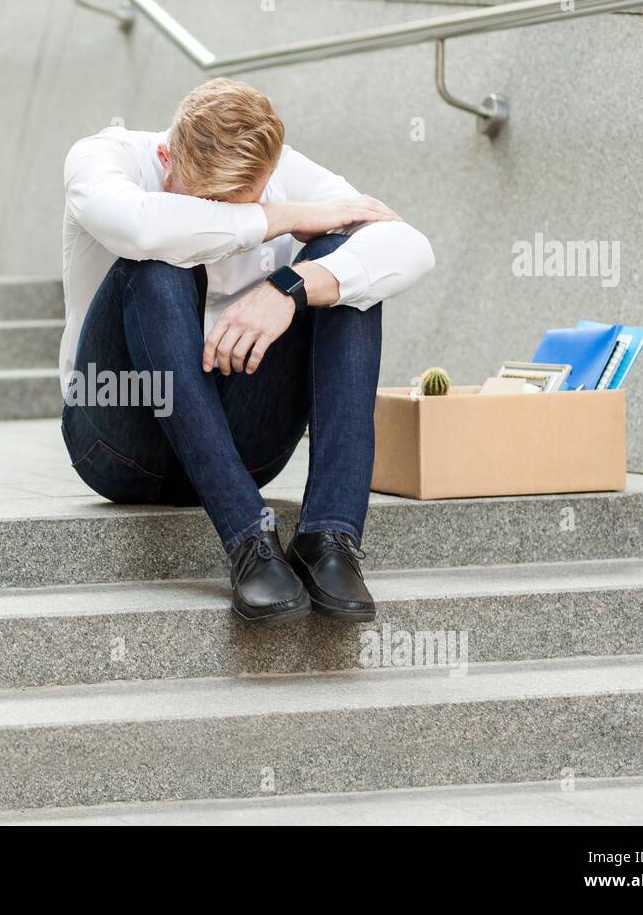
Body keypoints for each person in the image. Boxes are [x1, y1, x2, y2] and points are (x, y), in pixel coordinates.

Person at [59, 78, 434, 624]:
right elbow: (141, 228)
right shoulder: (104, 158)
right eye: (205, 204)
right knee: (156, 265)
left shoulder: (287, 171)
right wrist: (274, 219)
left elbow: (410, 246)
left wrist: (290, 288)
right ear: (168, 154)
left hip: (243, 441)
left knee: (344, 268)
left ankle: (330, 537)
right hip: (117, 440)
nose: (222, 218)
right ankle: (248, 541)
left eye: (248, 202)